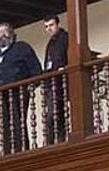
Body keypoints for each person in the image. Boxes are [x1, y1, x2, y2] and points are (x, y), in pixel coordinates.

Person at [0, 22, 42, 155]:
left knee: (17, 121)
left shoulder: (22, 48)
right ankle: (8, 151)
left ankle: (21, 150)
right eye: (0, 32)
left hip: (18, 92)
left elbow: (35, 68)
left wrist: (34, 82)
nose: (3, 35)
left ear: (12, 33)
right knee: (5, 123)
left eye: (6, 31)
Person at [42, 16, 69, 145]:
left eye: (51, 25)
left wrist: (64, 68)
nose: (49, 29)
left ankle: (54, 142)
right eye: (46, 26)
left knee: (56, 115)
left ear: (58, 24)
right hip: (51, 83)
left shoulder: (65, 38)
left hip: (62, 82)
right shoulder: (50, 43)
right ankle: (53, 142)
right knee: (53, 115)